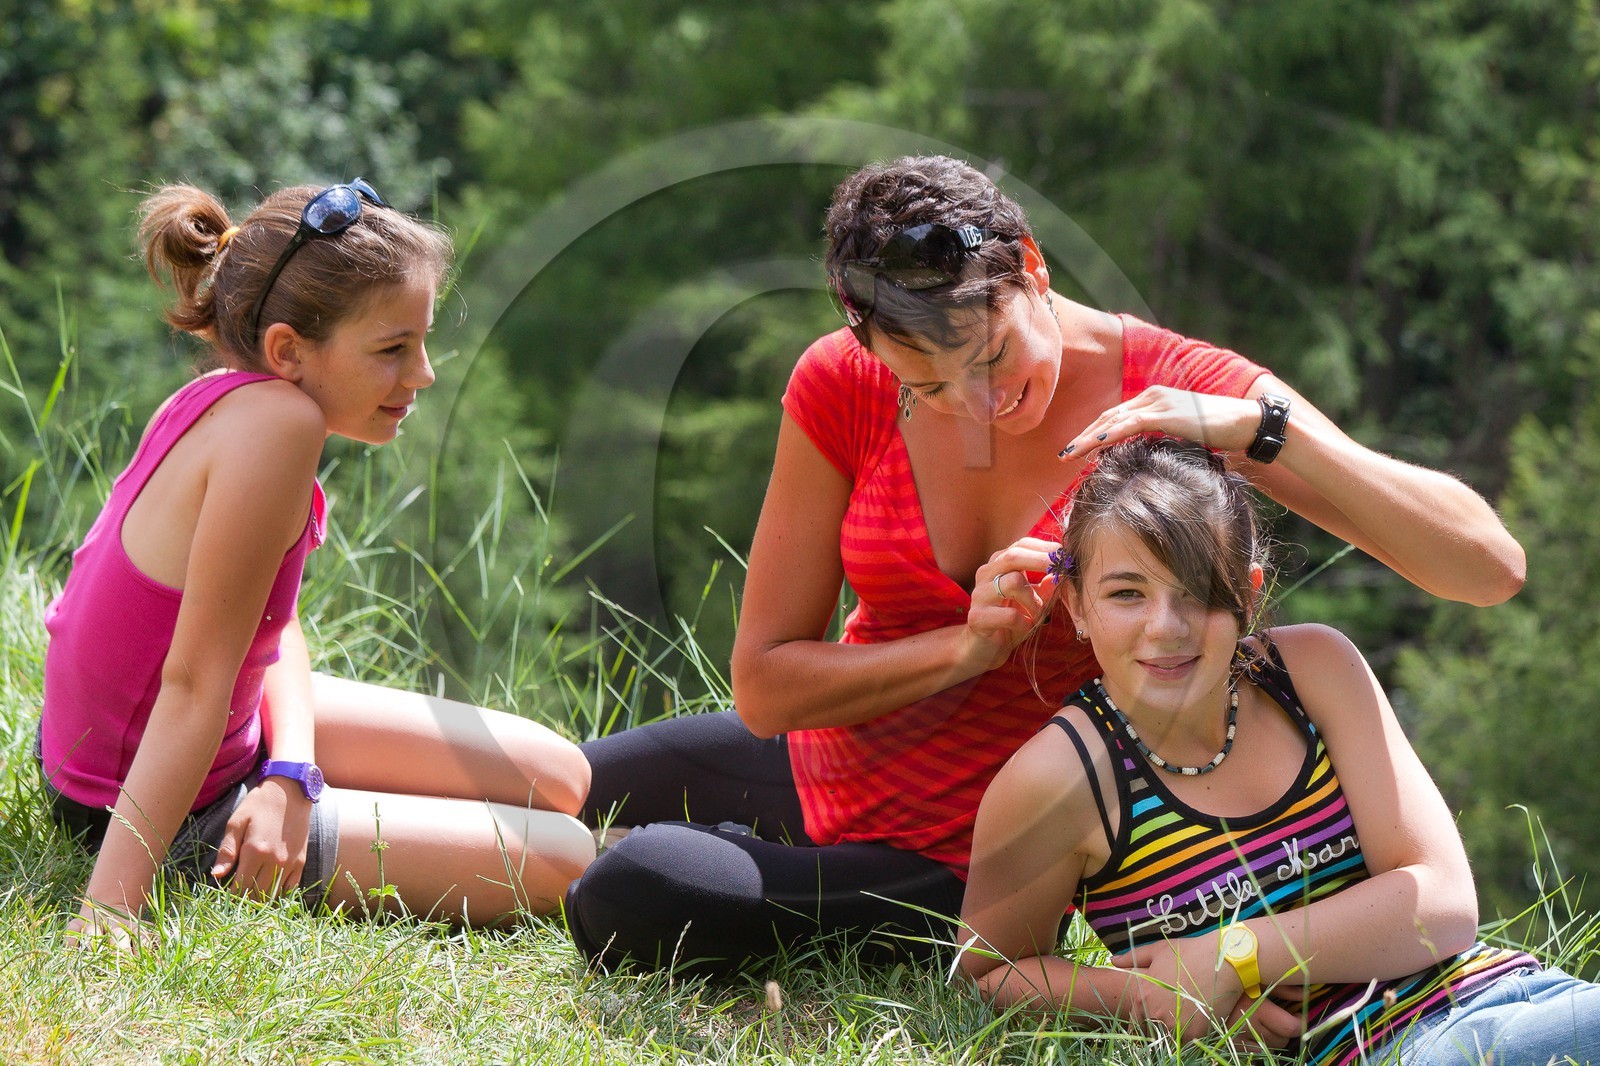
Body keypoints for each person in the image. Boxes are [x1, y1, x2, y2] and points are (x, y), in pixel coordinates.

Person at [563, 155, 1525, 974]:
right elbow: (767, 688)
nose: (974, 405)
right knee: (551, 781)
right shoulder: (842, 381)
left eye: (991, 360)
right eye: (927, 386)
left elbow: (1486, 569)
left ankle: (741, 863)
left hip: (980, 849)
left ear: (1032, 269)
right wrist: (963, 652)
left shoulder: (1181, 389)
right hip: (826, 762)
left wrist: (1265, 434)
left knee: (632, 888)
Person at [37, 179, 595, 945]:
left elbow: (272, 620)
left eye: (422, 343)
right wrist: (109, 912)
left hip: (203, 742)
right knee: (567, 855)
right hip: (142, 804)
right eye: (394, 349)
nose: (424, 373)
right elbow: (193, 681)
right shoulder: (279, 428)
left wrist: (292, 768)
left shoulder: (233, 396)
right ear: (289, 351)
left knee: (561, 775)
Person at [957, 435, 1597, 1065]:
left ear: (1250, 593)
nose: (1166, 627)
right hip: (1382, 1049)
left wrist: (1236, 952)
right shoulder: (1060, 778)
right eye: (1127, 593)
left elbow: (1443, 903)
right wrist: (1145, 995)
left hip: (1513, 993)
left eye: (1202, 592)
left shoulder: (1312, 671)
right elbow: (986, 974)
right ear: (1076, 604)